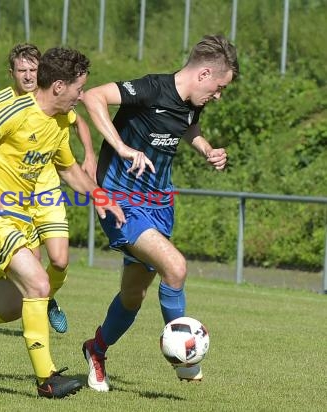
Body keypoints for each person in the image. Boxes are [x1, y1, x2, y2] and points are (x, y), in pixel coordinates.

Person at [0, 47, 125, 399]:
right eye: (80, 88)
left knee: (8, 308)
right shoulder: (14, 110)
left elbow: (67, 169)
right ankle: (46, 379)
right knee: (38, 283)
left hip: (22, 216)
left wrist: (99, 195)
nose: (82, 96)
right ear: (60, 86)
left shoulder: (59, 121)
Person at [80, 34, 239, 391]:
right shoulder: (151, 88)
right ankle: (185, 357)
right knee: (176, 267)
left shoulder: (192, 102)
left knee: (132, 296)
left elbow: (187, 126)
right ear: (204, 73)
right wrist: (120, 147)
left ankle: (96, 349)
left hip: (160, 205)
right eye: (219, 87)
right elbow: (93, 97)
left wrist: (206, 148)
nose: (218, 95)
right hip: (121, 201)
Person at [0, 43, 97, 334]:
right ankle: (39, 311)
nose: (28, 76)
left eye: (33, 70)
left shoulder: (54, 102)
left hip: (46, 188)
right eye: (21, 70)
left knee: (59, 260)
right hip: (13, 196)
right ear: (12, 73)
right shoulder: (1, 103)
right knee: (30, 271)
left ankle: (47, 300)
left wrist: (89, 154)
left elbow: (77, 123)